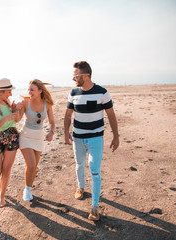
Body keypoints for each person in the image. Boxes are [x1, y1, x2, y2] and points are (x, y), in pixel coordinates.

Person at [64, 61, 119, 221]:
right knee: (79, 164)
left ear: (85, 76)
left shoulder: (102, 92)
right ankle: (80, 187)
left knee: (94, 169)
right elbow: (68, 115)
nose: (73, 78)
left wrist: (116, 136)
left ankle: (94, 206)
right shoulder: (73, 93)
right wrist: (66, 132)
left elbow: (111, 115)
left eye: (75, 75)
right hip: (78, 138)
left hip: (96, 138)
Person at [18, 79, 55, 202]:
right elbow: (18, 119)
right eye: (28, 90)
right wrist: (16, 109)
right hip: (26, 136)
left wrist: (51, 132)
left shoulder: (47, 104)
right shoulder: (25, 102)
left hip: (39, 137)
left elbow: (52, 121)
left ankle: (29, 187)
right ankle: (27, 190)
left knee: (34, 167)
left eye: (32, 90)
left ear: (40, 91)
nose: (29, 92)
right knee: (31, 164)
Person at [0, 78, 21, 208]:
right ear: (1, 92)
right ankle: (0, 186)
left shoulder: (7, 102)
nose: (11, 94)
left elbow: (16, 121)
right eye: (9, 91)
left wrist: (16, 110)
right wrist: (6, 118)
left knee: (6, 169)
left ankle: (2, 195)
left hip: (12, 136)